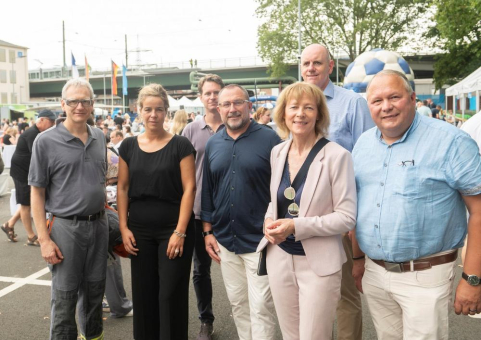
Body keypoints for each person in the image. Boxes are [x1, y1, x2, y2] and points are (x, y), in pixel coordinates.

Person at [352, 70, 481, 339]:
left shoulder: (451, 141)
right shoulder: (363, 145)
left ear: (412, 98)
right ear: (369, 106)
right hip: (375, 273)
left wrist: (472, 279)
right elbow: (358, 207)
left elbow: (479, 210)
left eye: (394, 97)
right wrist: (357, 260)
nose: (385, 106)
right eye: (377, 101)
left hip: (426, 276)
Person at [257, 82, 357, 339]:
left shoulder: (337, 156)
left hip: (318, 265)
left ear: (319, 115)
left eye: (308, 108)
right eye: (294, 107)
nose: (300, 114)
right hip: (279, 258)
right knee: (291, 335)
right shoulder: (277, 152)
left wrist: (296, 226)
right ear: (283, 114)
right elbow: (274, 200)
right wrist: (269, 221)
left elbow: (346, 217)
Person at [301, 43, 374, 340]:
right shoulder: (294, 103)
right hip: (301, 218)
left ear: (330, 66)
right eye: (305, 63)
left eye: (317, 63)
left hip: (338, 219)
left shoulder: (352, 103)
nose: (310, 69)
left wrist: (354, 222)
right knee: (307, 293)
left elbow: (367, 160)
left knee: (343, 296)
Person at [29, 78, 108, 340]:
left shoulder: (99, 136)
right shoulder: (45, 141)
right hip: (65, 228)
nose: (79, 106)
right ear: (63, 104)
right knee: (64, 298)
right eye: (73, 101)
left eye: (85, 101)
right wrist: (43, 240)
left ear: (92, 104)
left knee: (95, 295)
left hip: (99, 225)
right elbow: (37, 193)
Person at [117, 83, 196, 340]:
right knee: (144, 295)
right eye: (148, 109)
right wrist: (123, 227)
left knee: (170, 295)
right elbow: (123, 187)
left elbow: (189, 189)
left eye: (159, 109)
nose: (153, 115)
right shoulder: (128, 146)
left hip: (174, 229)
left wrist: (180, 232)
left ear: (166, 112)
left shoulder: (181, 145)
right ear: (139, 111)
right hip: (139, 230)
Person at [201, 84, 281, 340]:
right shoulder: (214, 143)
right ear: (219, 109)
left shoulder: (270, 139)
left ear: (249, 106)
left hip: (260, 241)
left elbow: (282, 187)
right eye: (226, 104)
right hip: (226, 239)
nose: (232, 109)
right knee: (238, 305)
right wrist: (207, 231)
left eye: (238, 103)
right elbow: (207, 190)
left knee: (261, 307)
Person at [182, 74, 225, 340]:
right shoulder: (190, 130)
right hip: (199, 212)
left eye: (216, 92)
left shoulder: (235, 125)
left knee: (240, 267)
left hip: (230, 211)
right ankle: (205, 321)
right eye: (208, 93)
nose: (212, 97)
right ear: (201, 97)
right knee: (201, 270)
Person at [2, 110, 56, 245]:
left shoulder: (39, 133)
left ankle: (9, 224)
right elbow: (39, 155)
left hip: (28, 171)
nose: (53, 125)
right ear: (42, 120)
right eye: (51, 122)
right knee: (26, 204)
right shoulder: (32, 134)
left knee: (29, 201)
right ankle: (31, 237)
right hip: (22, 172)